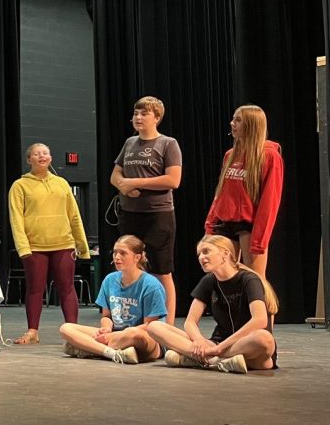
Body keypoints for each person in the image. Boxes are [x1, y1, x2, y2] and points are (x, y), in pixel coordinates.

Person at [147, 235, 278, 373]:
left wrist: (219, 349)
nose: (201, 257)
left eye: (206, 251)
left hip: (245, 346)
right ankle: (216, 361)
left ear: (225, 254)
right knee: (155, 327)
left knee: (264, 339)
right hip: (215, 344)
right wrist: (199, 341)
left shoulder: (249, 280)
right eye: (199, 254)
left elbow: (260, 320)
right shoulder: (208, 281)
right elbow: (190, 321)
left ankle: (201, 359)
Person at [8, 143, 91, 345]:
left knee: (67, 288)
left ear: (51, 158)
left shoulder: (62, 183)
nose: (41, 156)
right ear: (29, 160)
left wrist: (82, 246)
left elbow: (74, 215)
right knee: (35, 289)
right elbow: (16, 218)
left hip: (64, 244)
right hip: (35, 247)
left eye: (45, 153)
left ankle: (73, 333)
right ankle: (32, 331)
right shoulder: (20, 186)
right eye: (36, 154)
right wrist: (23, 247)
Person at [109, 96, 181, 323]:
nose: (138, 118)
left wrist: (136, 183)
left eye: (144, 114)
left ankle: (167, 326)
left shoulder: (168, 144)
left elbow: (173, 180)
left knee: (161, 271)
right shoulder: (130, 143)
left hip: (158, 216)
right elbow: (115, 175)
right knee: (131, 269)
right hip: (130, 215)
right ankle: (136, 320)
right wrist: (124, 186)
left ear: (157, 118)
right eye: (136, 114)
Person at [58, 235, 166, 365]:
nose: (117, 257)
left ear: (137, 258)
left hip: (143, 338)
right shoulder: (110, 280)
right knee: (66, 328)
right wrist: (106, 327)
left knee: (133, 333)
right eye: (115, 252)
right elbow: (106, 316)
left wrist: (115, 336)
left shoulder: (150, 285)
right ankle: (111, 353)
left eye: (123, 253)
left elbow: (150, 327)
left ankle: (89, 348)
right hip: (115, 335)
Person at [205, 105, 284, 279]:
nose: (232, 123)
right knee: (224, 278)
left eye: (238, 120)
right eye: (233, 119)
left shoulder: (269, 157)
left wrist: (259, 240)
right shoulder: (230, 155)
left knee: (254, 280)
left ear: (252, 124)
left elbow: (270, 201)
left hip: (249, 227)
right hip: (225, 225)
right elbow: (221, 194)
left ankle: (262, 308)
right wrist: (210, 223)